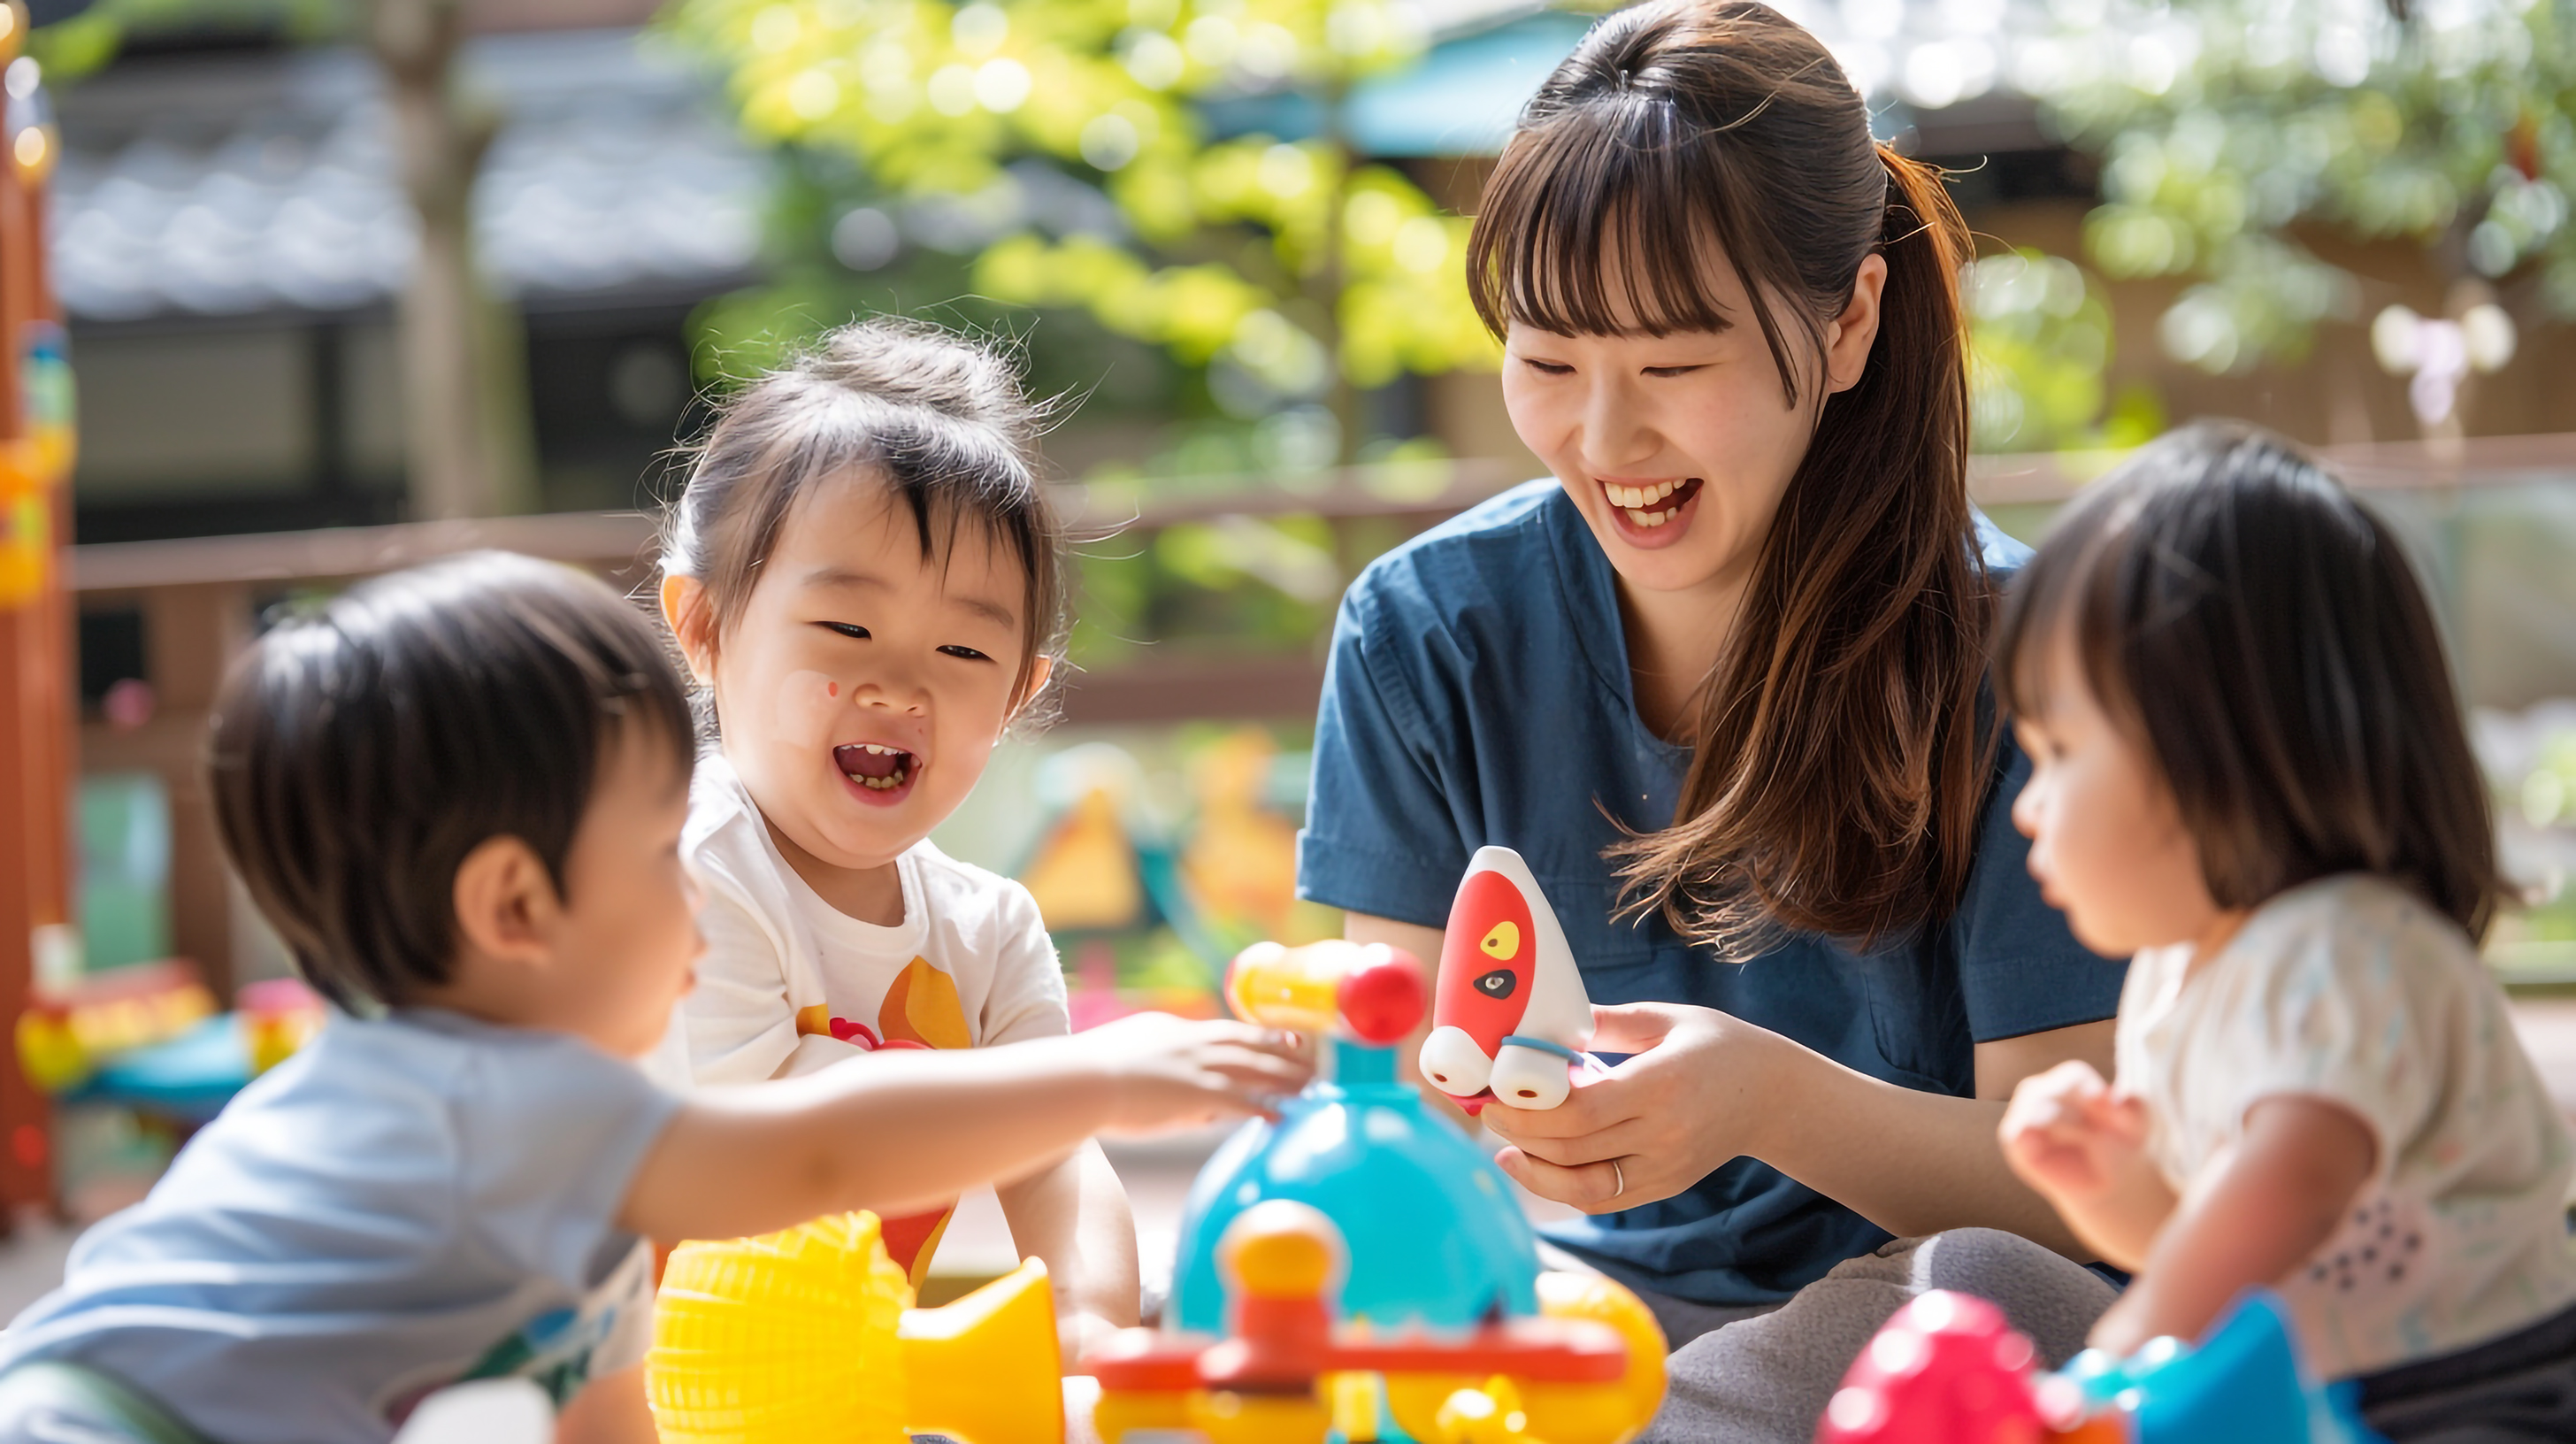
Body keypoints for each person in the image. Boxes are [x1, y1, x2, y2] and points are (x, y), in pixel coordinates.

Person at [1297, 2, 2125, 1437]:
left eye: (1673, 365)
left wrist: (1768, 1102)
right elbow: (1408, 1091)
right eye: (1546, 362)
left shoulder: (2025, 651)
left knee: (1982, 1289)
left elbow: (2075, 1176)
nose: (1605, 442)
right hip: (1563, 1305)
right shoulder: (1423, 629)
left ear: (1850, 318)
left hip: (1895, 1317)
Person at [0, 553, 1307, 1444]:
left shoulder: (578, 1173)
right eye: (656, 855)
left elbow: (609, 1424)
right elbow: (822, 1150)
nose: (699, 895)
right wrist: (1110, 1078)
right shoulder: (494, 1093)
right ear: (514, 909)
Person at [1996, 424, 2576, 1442]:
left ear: (2210, 750)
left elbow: (2289, 1190)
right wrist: (2113, 1189)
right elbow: (2203, 1244)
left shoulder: (2346, 952)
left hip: (2487, 1396)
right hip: (2329, 1392)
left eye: (2057, 751)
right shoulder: (2175, 971)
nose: (2026, 807)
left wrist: (2119, 1350)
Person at [648, 319, 1137, 1356]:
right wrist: (1086, 1084)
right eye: (845, 630)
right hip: (655, 1389)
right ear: (703, 628)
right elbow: (787, 1145)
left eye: (962, 647)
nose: (898, 686)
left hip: (845, 1385)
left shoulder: (988, 930)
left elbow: (1054, 1159)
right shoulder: (687, 870)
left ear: (1016, 694)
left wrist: (1090, 1332)